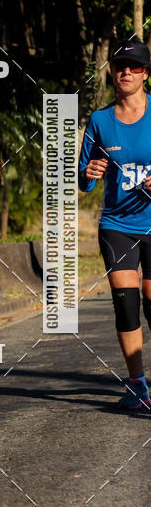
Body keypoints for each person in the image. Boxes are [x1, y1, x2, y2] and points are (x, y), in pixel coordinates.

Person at [78, 37, 151, 412]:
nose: (126, 72)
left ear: (145, 74)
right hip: (117, 223)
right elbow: (83, 177)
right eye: (121, 66)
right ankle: (137, 383)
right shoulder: (100, 120)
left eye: (134, 66)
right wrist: (89, 173)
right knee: (126, 303)